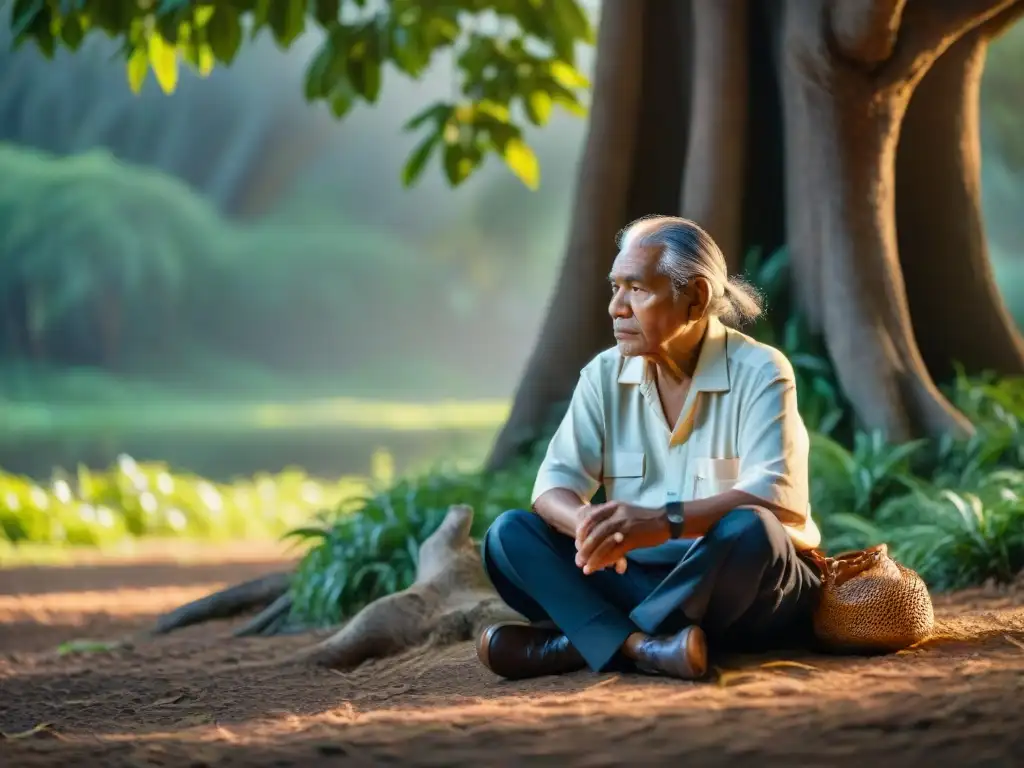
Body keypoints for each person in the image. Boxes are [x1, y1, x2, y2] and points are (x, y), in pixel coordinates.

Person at [477, 216, 823, 681]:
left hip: (739, 584)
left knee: (752, 530)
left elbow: (777, 502)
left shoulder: (761, 371)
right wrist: (586, 525)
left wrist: (663, 522)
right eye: (615, 288)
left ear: (696, 299)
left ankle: (580, 644)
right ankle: (648, 645)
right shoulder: (603, 374)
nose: (617, 308)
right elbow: (552, 488)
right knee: (507, 536)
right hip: (634, 576)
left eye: (636, 289)